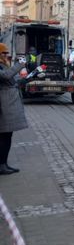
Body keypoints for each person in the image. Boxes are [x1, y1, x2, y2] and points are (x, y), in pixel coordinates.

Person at [0, 43, 28, 175]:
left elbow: (12, 79)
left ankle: (4, 163)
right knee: (4, 136)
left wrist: (26, 79)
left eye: (6, 53)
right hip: (4, 104)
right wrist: (20, 64)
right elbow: (6, 76)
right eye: (3, 53)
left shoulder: (4, 65)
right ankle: (1, 165)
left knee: (7, 135)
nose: (6, 55)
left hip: (8, 103)